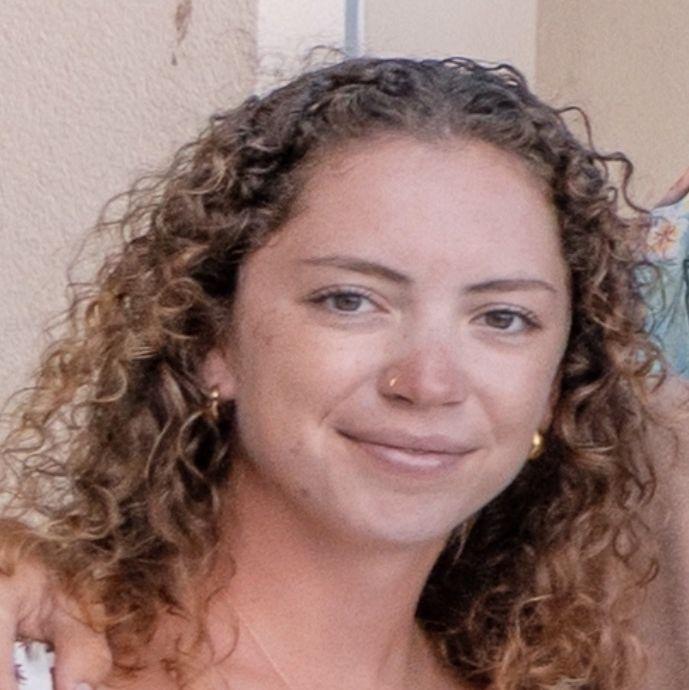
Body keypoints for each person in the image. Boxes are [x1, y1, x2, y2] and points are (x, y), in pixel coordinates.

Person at [0, 56, 664, 690]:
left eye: (503, 317)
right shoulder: (37, 665)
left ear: (556, 387)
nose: (429, 383)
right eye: (349, 301)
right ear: (210, 337)